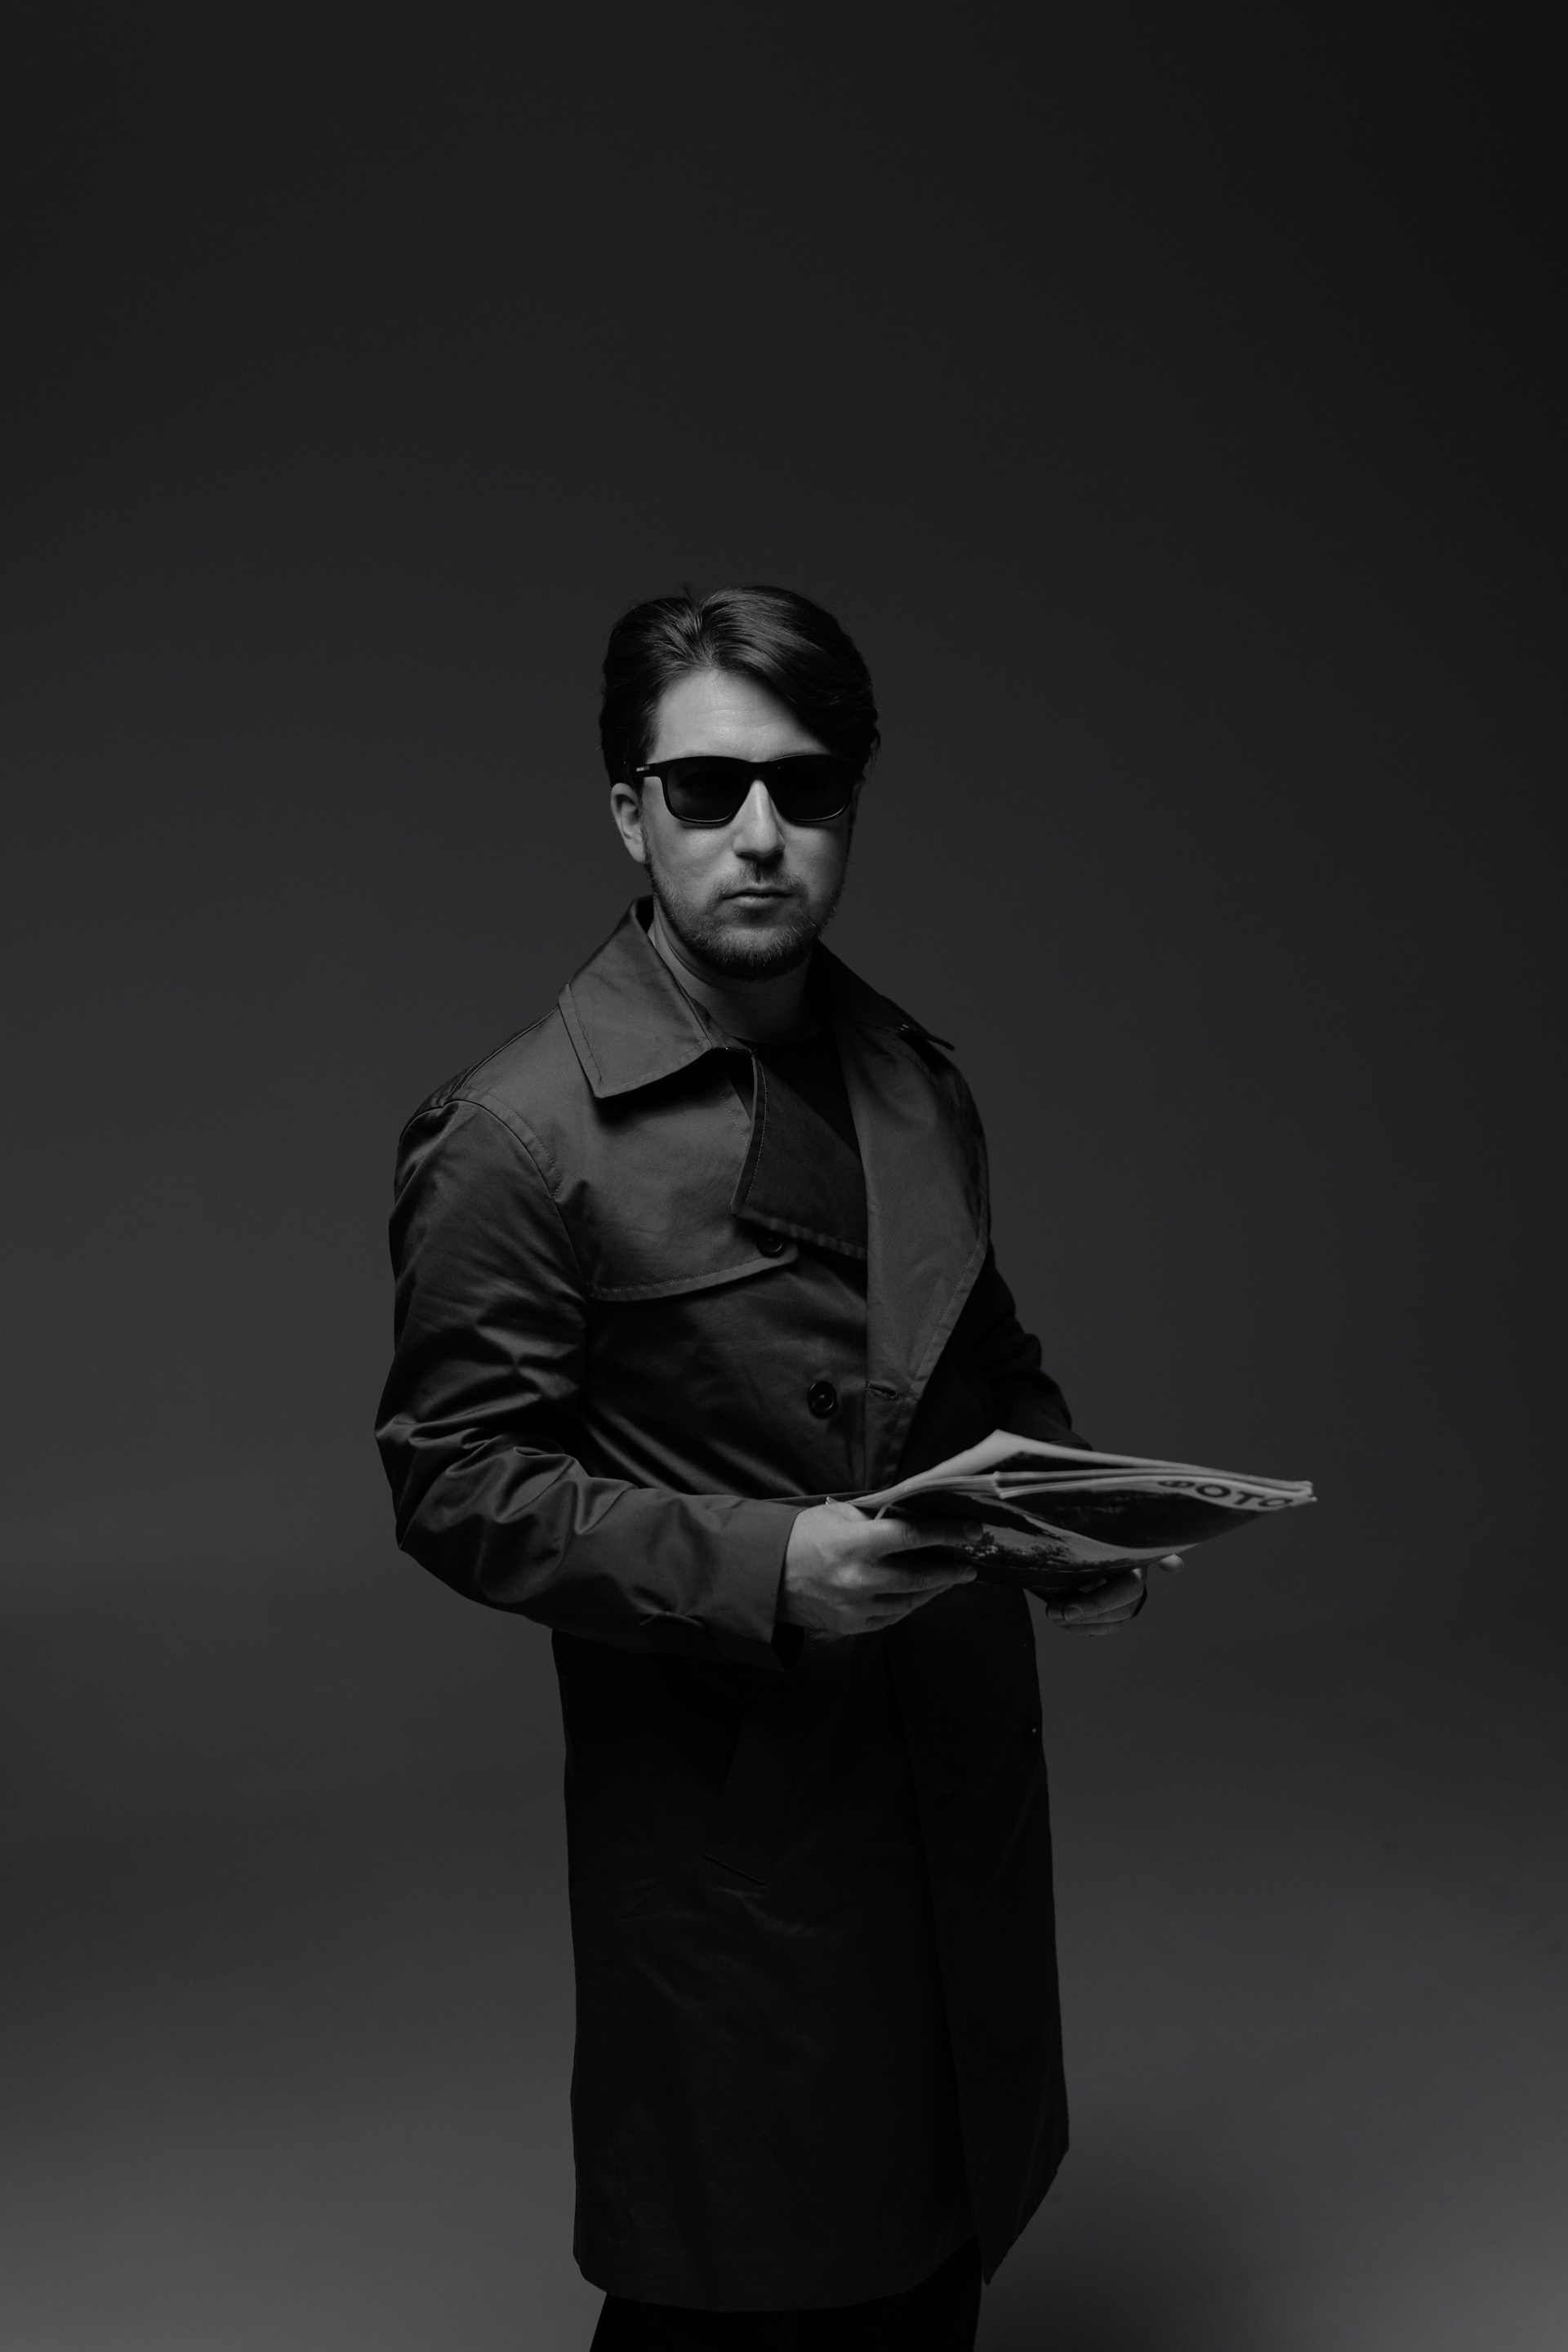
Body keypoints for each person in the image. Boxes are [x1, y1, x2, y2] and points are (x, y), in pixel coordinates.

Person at [375, 586, 1146, 2349]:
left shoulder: (914, 1079)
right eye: (706, 788)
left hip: (953, 1775)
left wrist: (1078, 1522)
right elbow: (456, 1481)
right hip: (743, 1809)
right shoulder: (516, 1134)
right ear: (627, 812)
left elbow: (981, 1361)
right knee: (746, 2278)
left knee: (929, 2256)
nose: (760, 834)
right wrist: (769, 1565)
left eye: (804, 789)